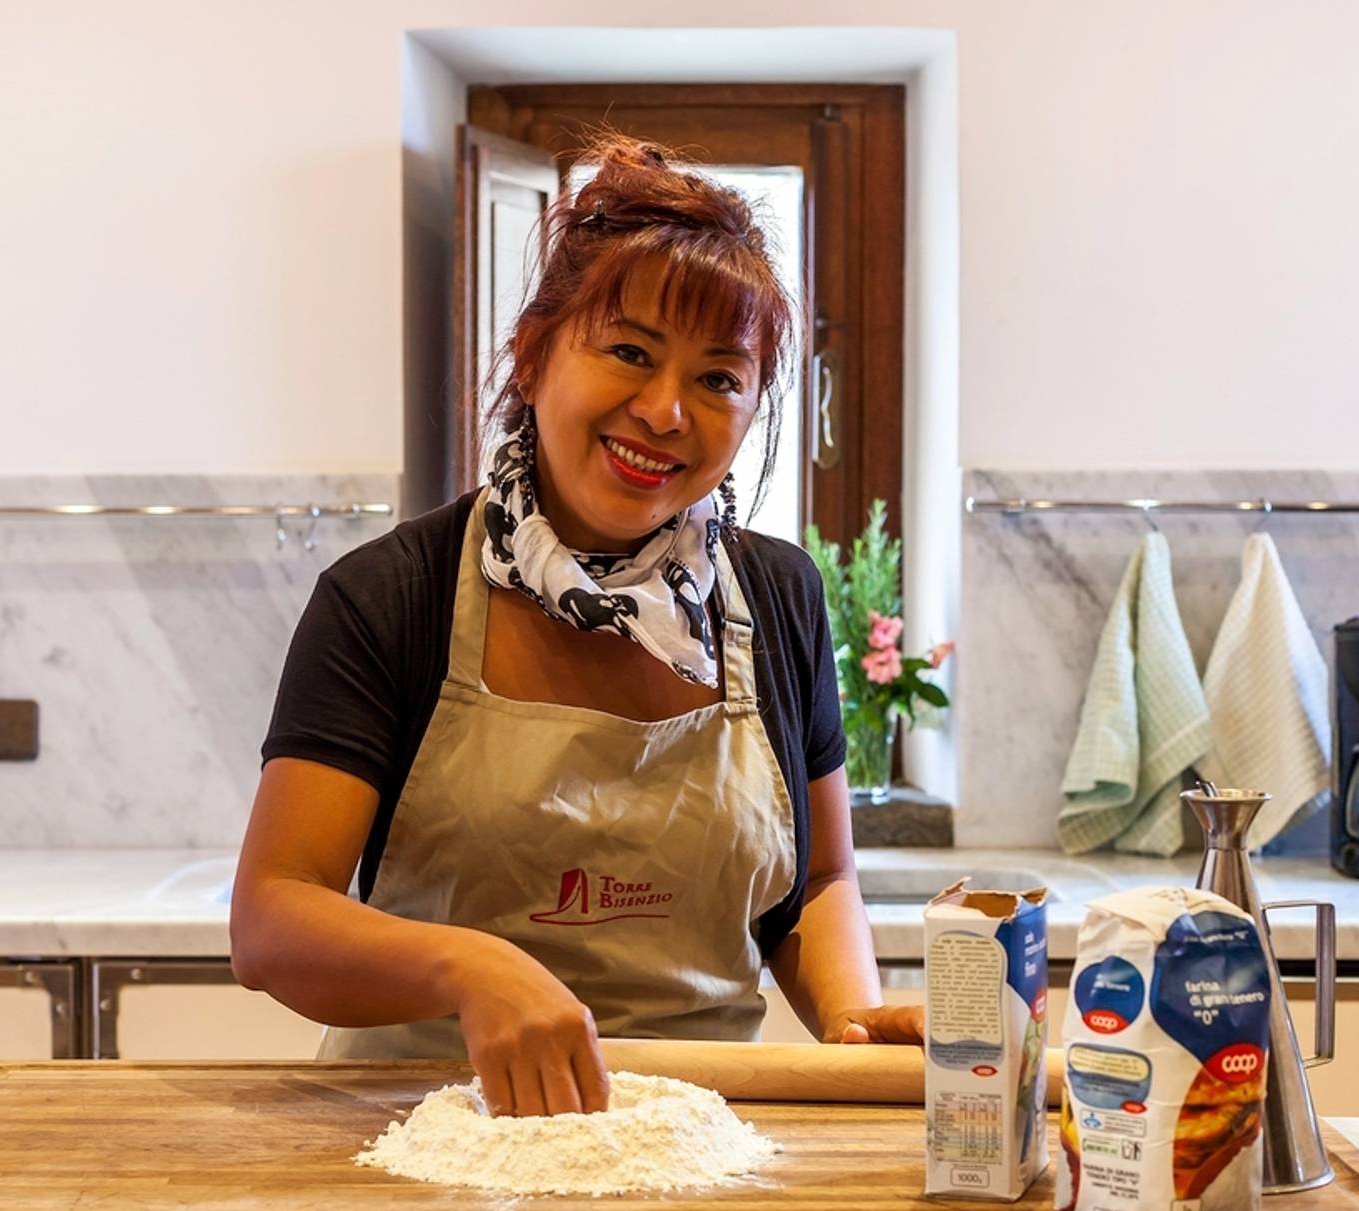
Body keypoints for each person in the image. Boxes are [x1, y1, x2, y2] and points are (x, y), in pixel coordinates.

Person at [231, 133, 924, 1119]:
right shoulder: (393, 597)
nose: (664, 411)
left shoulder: (778, 597)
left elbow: (817, 879)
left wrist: (856, 1026)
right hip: (422, 1135)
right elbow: (271, 919)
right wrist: (471, 969)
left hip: (701, 1138)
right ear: (535, 351)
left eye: (718, 378)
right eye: (631, 352)